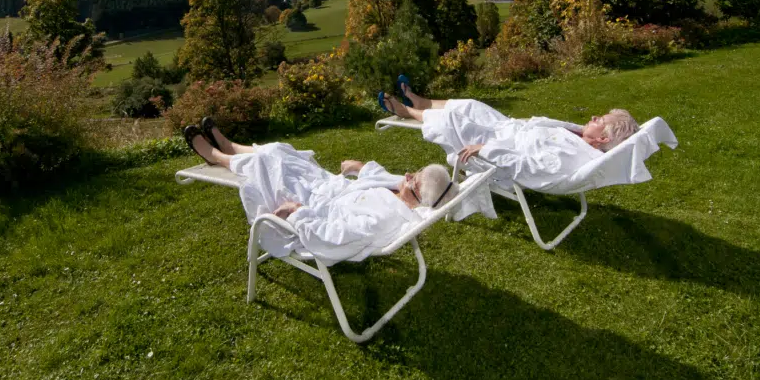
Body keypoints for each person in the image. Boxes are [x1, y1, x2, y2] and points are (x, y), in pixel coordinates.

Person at [183, 120, 458, 265]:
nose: (407, 175)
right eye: (414, 171)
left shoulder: (385, 218)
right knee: (280, 150)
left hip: (312, 204)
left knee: (263, 163)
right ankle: (230, 146)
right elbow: (381, 178)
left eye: (413, 179)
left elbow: (333, 237)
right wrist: (359, 167)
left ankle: (216, 156)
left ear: (417, 196)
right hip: (327, 186)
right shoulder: (404, 195)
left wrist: (298, 212)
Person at [378, 82, 641, 200]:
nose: (593, 116)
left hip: (499, 151)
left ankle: (407, 111)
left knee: (452, 120)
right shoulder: (580, 138)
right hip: (507, 130)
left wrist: (487, 149)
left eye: (599, 120)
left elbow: (530, 167)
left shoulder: (571, 155)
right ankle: (422, 102)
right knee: (471, 105)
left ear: (603, 138)